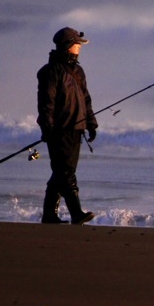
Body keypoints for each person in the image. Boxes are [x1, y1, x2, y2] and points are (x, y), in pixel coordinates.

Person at [37, 27, 98, 225]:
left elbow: (86, 99)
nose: (80, 47)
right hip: (59, 130)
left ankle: (49, 215)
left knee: (61, 172)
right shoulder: (51, 72)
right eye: (77, 44)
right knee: (66, 172)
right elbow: (46, 104)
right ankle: (76, 213)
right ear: (69, 46)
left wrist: (91, 123)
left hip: (76, 129)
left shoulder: (78, 71)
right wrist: (48, 129)